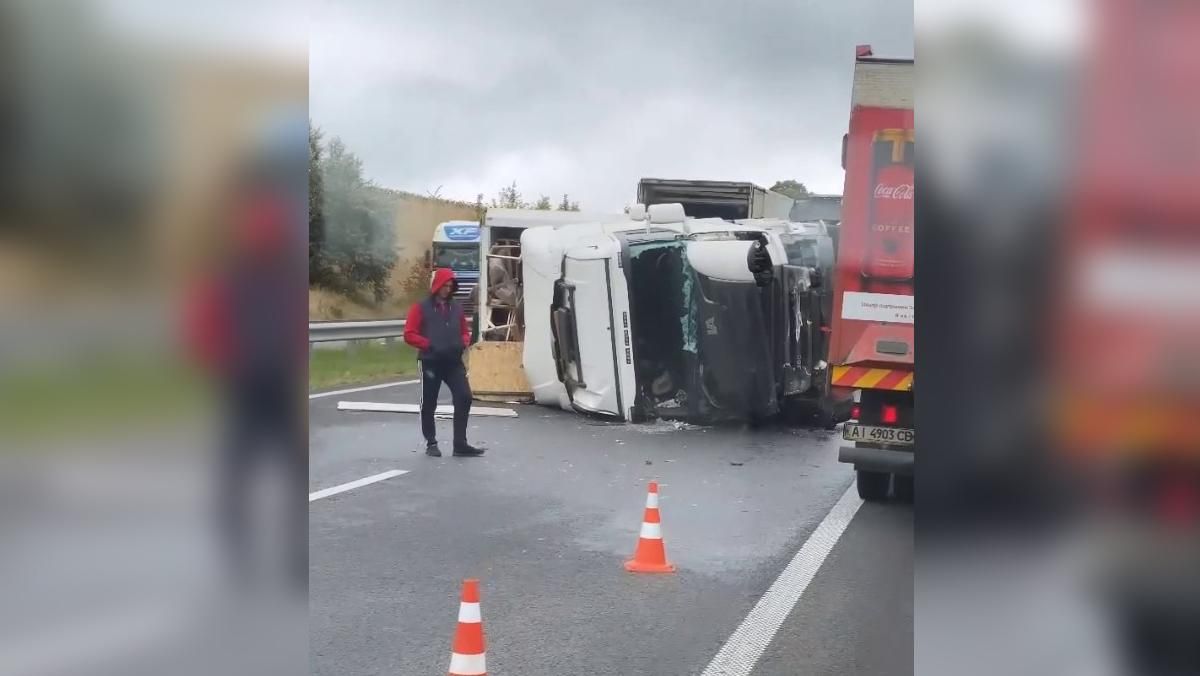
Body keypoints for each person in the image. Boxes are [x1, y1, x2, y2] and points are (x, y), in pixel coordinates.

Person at [403, 268, 485, 457]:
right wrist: (428, 344)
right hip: (431, 361)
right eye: (444, 285)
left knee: (464, 396)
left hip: (453, 361)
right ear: (437, 286)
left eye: (450, 286)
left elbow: (465, 330)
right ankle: (431, 442)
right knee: (430, 402)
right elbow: (409, 334)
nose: (447, 289)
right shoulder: (421, 307)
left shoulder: (456, 308)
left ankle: (460, 443)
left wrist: (463, 341)